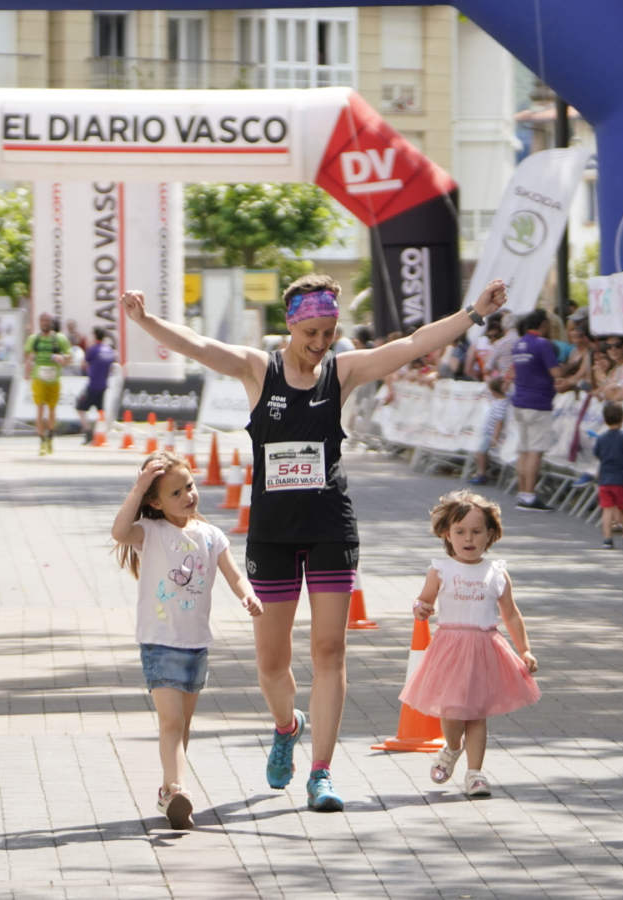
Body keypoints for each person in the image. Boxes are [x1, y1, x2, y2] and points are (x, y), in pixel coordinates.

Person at [120, 273, 508, 812]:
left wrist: (474, 312)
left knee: (330, 650)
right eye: (313, 333)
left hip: (330, 527)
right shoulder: (260, 369)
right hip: (273, 535)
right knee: (271, 663)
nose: (322, 343)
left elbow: (411, 345)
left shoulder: (342, 373)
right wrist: (145, 321)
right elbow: (201, 346)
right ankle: (287, 725)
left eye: (330, 332)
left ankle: (321, 773)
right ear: (291, 325)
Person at [111, 450, 263, 829]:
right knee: (171, 722)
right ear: (155, 502)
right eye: (175, 493)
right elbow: (118, 531)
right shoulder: (151, 532)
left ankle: (169, 792)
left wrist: (248, 594)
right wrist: (140, 485)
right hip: (159, 642)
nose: (188, 496)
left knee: (183, 725)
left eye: (190, 487)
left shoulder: (211, 536)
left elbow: (234, 575)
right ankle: (179, 788)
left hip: (196, 644)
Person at [400, 490, 539, 798]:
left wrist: (524, 649)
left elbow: (512, 615)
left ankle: (475, 774)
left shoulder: (497, 572)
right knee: (451, 711)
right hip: (449, 648)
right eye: (460, 531)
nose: (468, 538)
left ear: (490, 534)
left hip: (485, 649)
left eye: (477, 532)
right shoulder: (440, 569)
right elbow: (423, 600)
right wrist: (420, 608)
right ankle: (451, 747)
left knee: (476, 714)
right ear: (447, 534)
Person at [509, 309, 562, 511]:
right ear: (543, 324)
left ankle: (523, 492)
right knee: (535, 451)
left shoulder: (518, 344)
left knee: (523, 450)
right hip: (538, 401)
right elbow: (555, 372)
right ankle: (530, 496)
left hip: (520, 401)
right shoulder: (542, 344)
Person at [594, 402, 623, 548]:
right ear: (622, 419)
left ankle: (607, 537)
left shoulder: (601, 438)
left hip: (605, 479)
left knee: (607, 508)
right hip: (621, 479)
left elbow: (597, 453)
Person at [24, 313, 70, 455]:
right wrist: (27, 371)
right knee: (39, 409)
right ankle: (42, 440)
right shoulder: (34, 339)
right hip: (39, 378)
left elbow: (69, 357)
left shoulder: (59, 339)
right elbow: (28, 357)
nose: (45, 323)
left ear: (51, 322)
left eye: (47, 321)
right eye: (42, 320)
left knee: (51, 410)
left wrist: (62, 358)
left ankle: (50, 436)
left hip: (54, 378)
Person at [76, 326, 117, 443]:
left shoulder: (93, 350)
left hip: (93, 384)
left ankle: (88, 431)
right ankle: (100, 433)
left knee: (80, 408)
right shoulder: (109, 350)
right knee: (101, 411)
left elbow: (84, 364)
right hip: (104, 385)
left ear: (95, 336)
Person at [468, 376, 509, 485]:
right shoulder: (499, 401)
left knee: (480, 452)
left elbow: (499, 422)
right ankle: (483, 471)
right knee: (482, 452)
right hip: (487, 431)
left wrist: (495, 437)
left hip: (490, 433)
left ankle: (481, 473)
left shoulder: (501, 404)